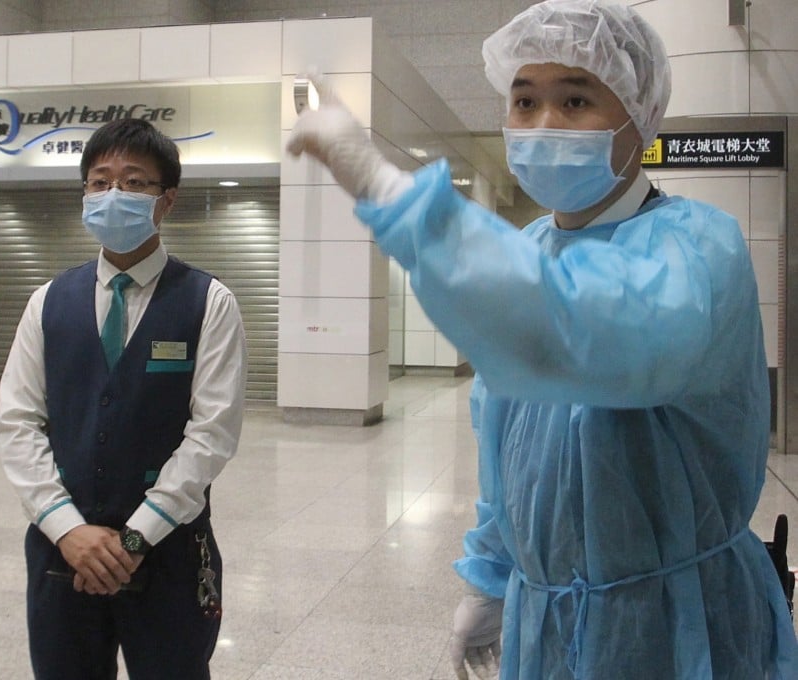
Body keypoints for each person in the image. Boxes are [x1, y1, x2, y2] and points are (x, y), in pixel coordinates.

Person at [287, 0, 798, 678]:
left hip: (675, 625)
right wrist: (493, 577)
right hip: (543, 620)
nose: (544, 123)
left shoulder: (697, 248)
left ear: (639, 117)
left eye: (576, 99)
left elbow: (580, 329)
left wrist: (385, 185)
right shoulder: (526, 248)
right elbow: (507, 450)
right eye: (524, 102)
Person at [0, 118, 247, 679]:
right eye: (99, 181)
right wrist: (68, 529)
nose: (113, 195)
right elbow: (17, 424)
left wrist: (136, 536)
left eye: (133, 183)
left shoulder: (209, 302)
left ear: (167, 201)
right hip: (64, 554)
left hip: (169, 555)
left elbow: (212, 434)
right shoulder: (47, 302)